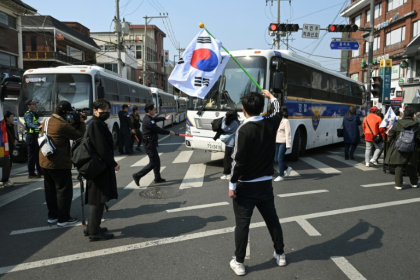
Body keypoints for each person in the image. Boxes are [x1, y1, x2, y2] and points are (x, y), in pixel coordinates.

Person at [228, 90, 286, 276]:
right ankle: (280, 253)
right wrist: (272, 96)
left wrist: (232, 184)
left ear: (244, 110)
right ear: (261, 108)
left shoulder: (243, 130)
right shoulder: (270, 123)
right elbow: (279, 111)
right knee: (272, 220)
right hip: (265, 183)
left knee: (243, 224)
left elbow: (238, 161)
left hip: (246, 185)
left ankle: (239, 262)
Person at [39, 101, 86, 226]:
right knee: (63, 191)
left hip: (45, 161)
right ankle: (63, 218)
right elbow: (79, 136)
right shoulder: (62, 125)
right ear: (65, 113)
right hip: (58, 163)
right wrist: (81, 122)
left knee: (50, 190)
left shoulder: (47, 121)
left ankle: (52, 216)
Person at [85, 99, 119, 241]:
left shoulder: (97, 124)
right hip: (99, 167)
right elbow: (102, 149)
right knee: (98, 200)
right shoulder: (96, 125)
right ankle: (94, 232)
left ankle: (93, 227)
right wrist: (113, 163)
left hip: (99, 166)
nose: (105, 112)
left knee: (98, 199)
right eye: (102, 110)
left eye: (107, 110)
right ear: (95, 111)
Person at [132, 103, 175, 187]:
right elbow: (157, 129)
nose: (155, 110)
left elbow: (155, 119)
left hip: (151, 143)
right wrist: (169, 132)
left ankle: (157, 178)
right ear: (149, 110)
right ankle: (138, 175)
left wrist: (164, 118)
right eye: (154, 109)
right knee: (153, 162)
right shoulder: (148, 120)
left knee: (157, 161)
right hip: (149, 144)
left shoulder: (149, 118)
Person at [385, 106, 419, 190]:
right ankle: (414, 183)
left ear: (404, 114)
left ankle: (398, 184)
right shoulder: (416, 125)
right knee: (412, 165)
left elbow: (390, 135)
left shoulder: (398, 123)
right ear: (412, 115)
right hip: (412, 147)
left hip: (399, 147)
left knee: (399, 166)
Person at [24, 100, 43, 178]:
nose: (36, 105)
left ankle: (39, 171)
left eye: (35, 104)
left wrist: (41, 124)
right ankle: (31, 173)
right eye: (34, 104)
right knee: (31, 156)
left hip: (35, 136)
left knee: (37, 155)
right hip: (31, 137)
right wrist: (38, 126)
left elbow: (34, 123)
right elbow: (29, 123)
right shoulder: (28, 114)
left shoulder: (33, 113)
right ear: (29, 106)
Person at [220, 110, 240, 180]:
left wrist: (224, 119)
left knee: (227, 159)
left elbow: (224, 128)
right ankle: (229, 173)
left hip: (230, 143)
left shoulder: (233, 122)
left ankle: (227, 173)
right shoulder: (236, 122)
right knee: (231, 158)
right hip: (233, 142)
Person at [274, 106, 292, 181]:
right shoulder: (277, 120)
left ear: (284, 112)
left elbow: (288, 133)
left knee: (280, 159)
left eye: (281, 111)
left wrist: (288, 145)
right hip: (277, 142)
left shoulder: (286, 121)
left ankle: (281, 175)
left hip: (283, 142)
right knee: (276, 159)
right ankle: (287, 168)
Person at [2, 111, 18, 187]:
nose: (13, 119)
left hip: (11, 147)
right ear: (7, 118)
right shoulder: (4, 127)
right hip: (6, 148)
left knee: (9, 163)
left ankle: (6, 178)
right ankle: (5, 180)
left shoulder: (11, 125)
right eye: (11, 117)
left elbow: (13, 135)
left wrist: (15, 139)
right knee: (6, 163)